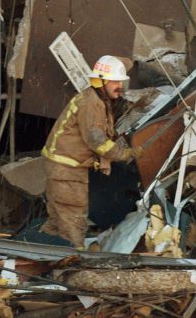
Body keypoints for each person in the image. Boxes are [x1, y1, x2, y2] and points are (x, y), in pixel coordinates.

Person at [40, 55, 143, 248]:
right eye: (115, 81)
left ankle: (47, 254)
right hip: (66, 169)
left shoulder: (96, 98)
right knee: (73, 217)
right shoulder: (92, 104)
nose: (120, 86)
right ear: (101, 81)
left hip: (62, 167)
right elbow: (96, 140)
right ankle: (75, 261)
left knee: (58, 220)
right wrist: (123, 154)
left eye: (121, 81)